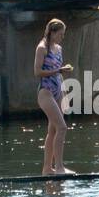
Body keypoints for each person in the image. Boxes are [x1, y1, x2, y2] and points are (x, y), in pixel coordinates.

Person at [34, 18, 74, 175]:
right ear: (52, 32)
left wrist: (64, 95)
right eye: (61, 34)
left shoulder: (59, 48)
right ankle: (59, 167)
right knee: (62, 127)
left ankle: (47, 169)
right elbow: (37, 72)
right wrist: (58, 70)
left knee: (52, 131)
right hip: (45, 92)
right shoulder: (42, 48)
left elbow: (60, 74)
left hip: (58, 91)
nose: (62, 37)